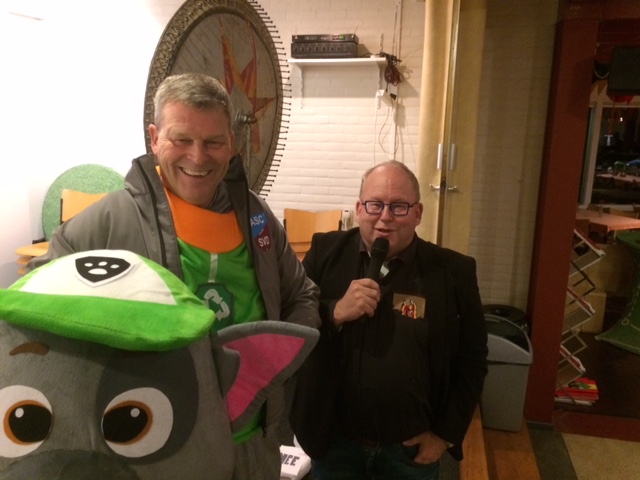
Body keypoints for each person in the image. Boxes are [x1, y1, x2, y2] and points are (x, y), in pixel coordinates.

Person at [29, 72, 321, 479]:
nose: (198, 157)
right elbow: (36, 309)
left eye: (213, 142)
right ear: (154, 138)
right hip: (157, 451)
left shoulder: (257, 217)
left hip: (254, 445)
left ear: (232, 143)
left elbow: (302, 295)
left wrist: (275, 365)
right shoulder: (108, 222)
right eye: (181, 139)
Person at [289, 160, 488, 480]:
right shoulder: (325, 253)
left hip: (409, 453)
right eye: (375, 204)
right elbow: (290, 321)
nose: (385, 217)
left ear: (418, 213)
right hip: (334, 444)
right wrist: (335, 311)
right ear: (359, 209)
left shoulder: (453, 272)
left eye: (398, 206)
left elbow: (472, 360)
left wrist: (444, 434)